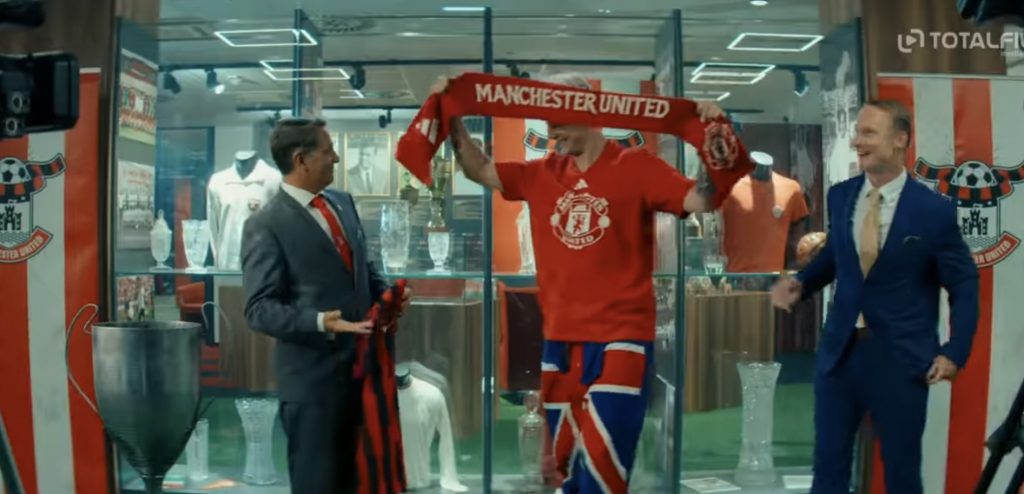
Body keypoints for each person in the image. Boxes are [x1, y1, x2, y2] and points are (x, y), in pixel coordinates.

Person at [430, 73, 725, 493]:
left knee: (603, 467)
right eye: (546, 121)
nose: (550, 132)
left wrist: (712, 139)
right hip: (560, 343)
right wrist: (453, 117)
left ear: (588, 113)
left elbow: (703, 199)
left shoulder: (636, 167)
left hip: (621, 340)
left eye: (557, 121)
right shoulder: (541, 173)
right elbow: (479, 168)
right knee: (563, 469)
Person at [771, 100, 979, 493]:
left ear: (900, 139)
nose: (857, 142)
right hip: (839, 356)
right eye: (858, 132)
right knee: (828, 469)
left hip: (901, 359)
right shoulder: (841, 196)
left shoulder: (933, 211)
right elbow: (837, 256)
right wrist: (801, 283)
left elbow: (964, 286)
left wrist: (954, 351)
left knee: (901, 474)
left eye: (868, 133)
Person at [241, 117, 410, 493]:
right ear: (301, 160)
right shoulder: (265, 225)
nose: (336, 157)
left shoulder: (342, 203)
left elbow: (362, 267)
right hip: (313, 388)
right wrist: (320, 322)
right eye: (328, 150)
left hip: (364, 377)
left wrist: (387, 294)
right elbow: (258, 308)